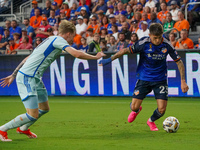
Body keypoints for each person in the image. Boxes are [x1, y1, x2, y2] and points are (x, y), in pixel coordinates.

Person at [0, 20, 105, 142]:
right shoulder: (59, 40)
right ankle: (2, 129)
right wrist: (95, 57)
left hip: (35, 78)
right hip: (27, 77)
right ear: (68, 33)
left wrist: (13, 74)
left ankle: (23, 128)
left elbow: (28, 57)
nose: (73, 39)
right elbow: (76, 54)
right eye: (73, 35)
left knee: (44, 108)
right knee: (31, 114)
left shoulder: (50, 39)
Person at [99, 23, 189, 131]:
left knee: (162, 110)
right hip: (144, 79)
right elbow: (125, 50)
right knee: (134, 107)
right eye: (155, 38)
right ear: (150, 35)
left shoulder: (166, 44)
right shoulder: (143, 43)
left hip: (160, 80)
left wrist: (183, 81)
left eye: (159, 37)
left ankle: (150, 121)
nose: (157, 40)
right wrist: (109, 60)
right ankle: (136, 110)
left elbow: (179, 62)